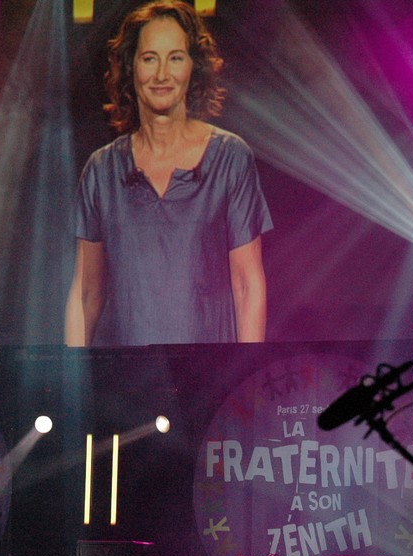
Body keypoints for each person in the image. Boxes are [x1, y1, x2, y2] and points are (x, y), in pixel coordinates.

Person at [65, 0, 272, 347]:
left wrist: (246, 383)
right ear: (130, 67)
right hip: (124, 386)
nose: (162, 74)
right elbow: (86, 293)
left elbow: (247, 285)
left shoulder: (230, 158)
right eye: (149, 58)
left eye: (175, 57)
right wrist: (72, 391)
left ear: (194, 67)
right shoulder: (101, 170)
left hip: (210, 381)